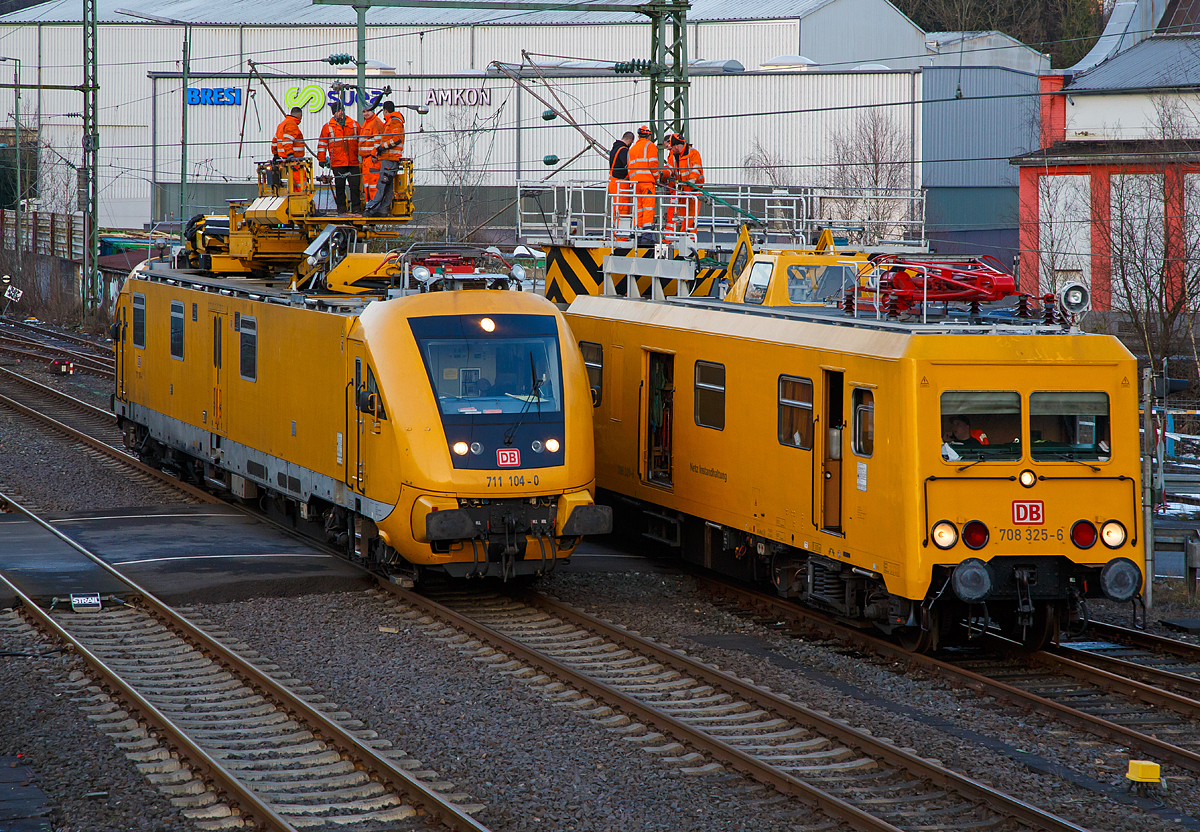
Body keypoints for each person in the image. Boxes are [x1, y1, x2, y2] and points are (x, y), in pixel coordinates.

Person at [317, 100, 361, 214]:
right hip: (338, 162)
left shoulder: (354, 125)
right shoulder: (328, 127)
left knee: (355, 187)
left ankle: (356, 209)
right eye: (336, 112)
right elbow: (322, 145)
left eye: (340, 111)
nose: (338, 114)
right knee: (340, 187)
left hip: (353, 162)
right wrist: (321, 159)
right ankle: (341, 209)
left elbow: (362, 142)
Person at [363, 102, 406, 218]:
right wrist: (378, 150)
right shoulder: (391, 121)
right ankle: (382, 209)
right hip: (389, 158)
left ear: (385, 110)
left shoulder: (394, 121)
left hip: (389, 158)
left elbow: (396, 139)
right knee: (387, 186)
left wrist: (381, 148)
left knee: (382, 184)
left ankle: (371, 208)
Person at [663, 133, 704, 235]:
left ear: (676, 146)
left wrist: (692, 180)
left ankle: (689, 239)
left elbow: (696, 168)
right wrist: (662, 174)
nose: (670, 150)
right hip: (683, 192)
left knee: (690, 218)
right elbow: (669, 169)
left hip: (694, 192)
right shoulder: (675, 156)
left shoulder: (692, 153)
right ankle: (683, 237)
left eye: (671, 147)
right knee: (683, 217)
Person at [626, 125, 659, 231]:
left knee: (638, 208)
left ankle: (638, 231)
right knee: (648, 207)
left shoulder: (632, 149)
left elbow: (629, 168)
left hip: (635, 183)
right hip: (647, 182)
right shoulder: (650, 146)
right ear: (649, 136)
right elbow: (653, 164)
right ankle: (647, 231)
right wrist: (657, 177)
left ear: (639, 136)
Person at [271, 106, 307, 192]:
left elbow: (274, 141)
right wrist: (290, 154)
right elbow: (287, 140)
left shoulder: (281, 125)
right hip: (293, 161)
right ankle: (303, 198)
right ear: (300, 116)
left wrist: (275, 154)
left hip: (283, 161)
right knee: (300, 183)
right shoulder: (292, 124)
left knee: (291, 183)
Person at [358, 94, 384, 204]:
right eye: (364, 111)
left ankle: (374, 205)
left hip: (372, 159)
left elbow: (378, 142)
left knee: (373, 184)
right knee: (367, 184)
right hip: (366, 160)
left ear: (373, 110)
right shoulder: (365, 123)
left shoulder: (376, 123)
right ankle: (369, 204)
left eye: (368, 111)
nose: (366, 113)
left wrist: (374, 155)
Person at [607, 131, 634, 227]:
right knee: (623, 210)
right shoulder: (624, 150)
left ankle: (617, 233)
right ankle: (621, 236)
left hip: (613, 182)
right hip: (620, 184)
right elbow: (628, 166)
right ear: (630, 140)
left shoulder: (614, 149)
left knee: (617, 210)